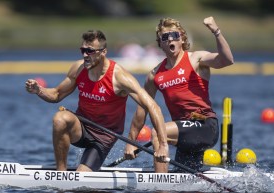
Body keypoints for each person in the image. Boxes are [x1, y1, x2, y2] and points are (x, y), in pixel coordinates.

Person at [25, 30, 168, 172]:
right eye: (83, 50)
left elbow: (153, 107)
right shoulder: (79, 68)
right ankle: (61, 174)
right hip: (82, 127)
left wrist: (160, 144)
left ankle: (77, 174)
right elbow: (56, 94)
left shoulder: (119, 77)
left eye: (90, 51)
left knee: (82, 181)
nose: (85, 55)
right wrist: (39, 90)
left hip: (104, 136)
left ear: (103, 52)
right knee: (60, 118)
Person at [124, 17, 234, 173]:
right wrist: (131, 142)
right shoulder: (155, 74)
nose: (170, 39)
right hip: (183, 132)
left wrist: (216, 31)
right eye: (165, 37)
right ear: (160, 43)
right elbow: (142, 109)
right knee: (184, 177)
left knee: (157, 132)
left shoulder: (196, 59)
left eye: (174, 35)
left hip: (205, 126)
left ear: (182, 39)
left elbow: (227, 60)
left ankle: (160, 186)